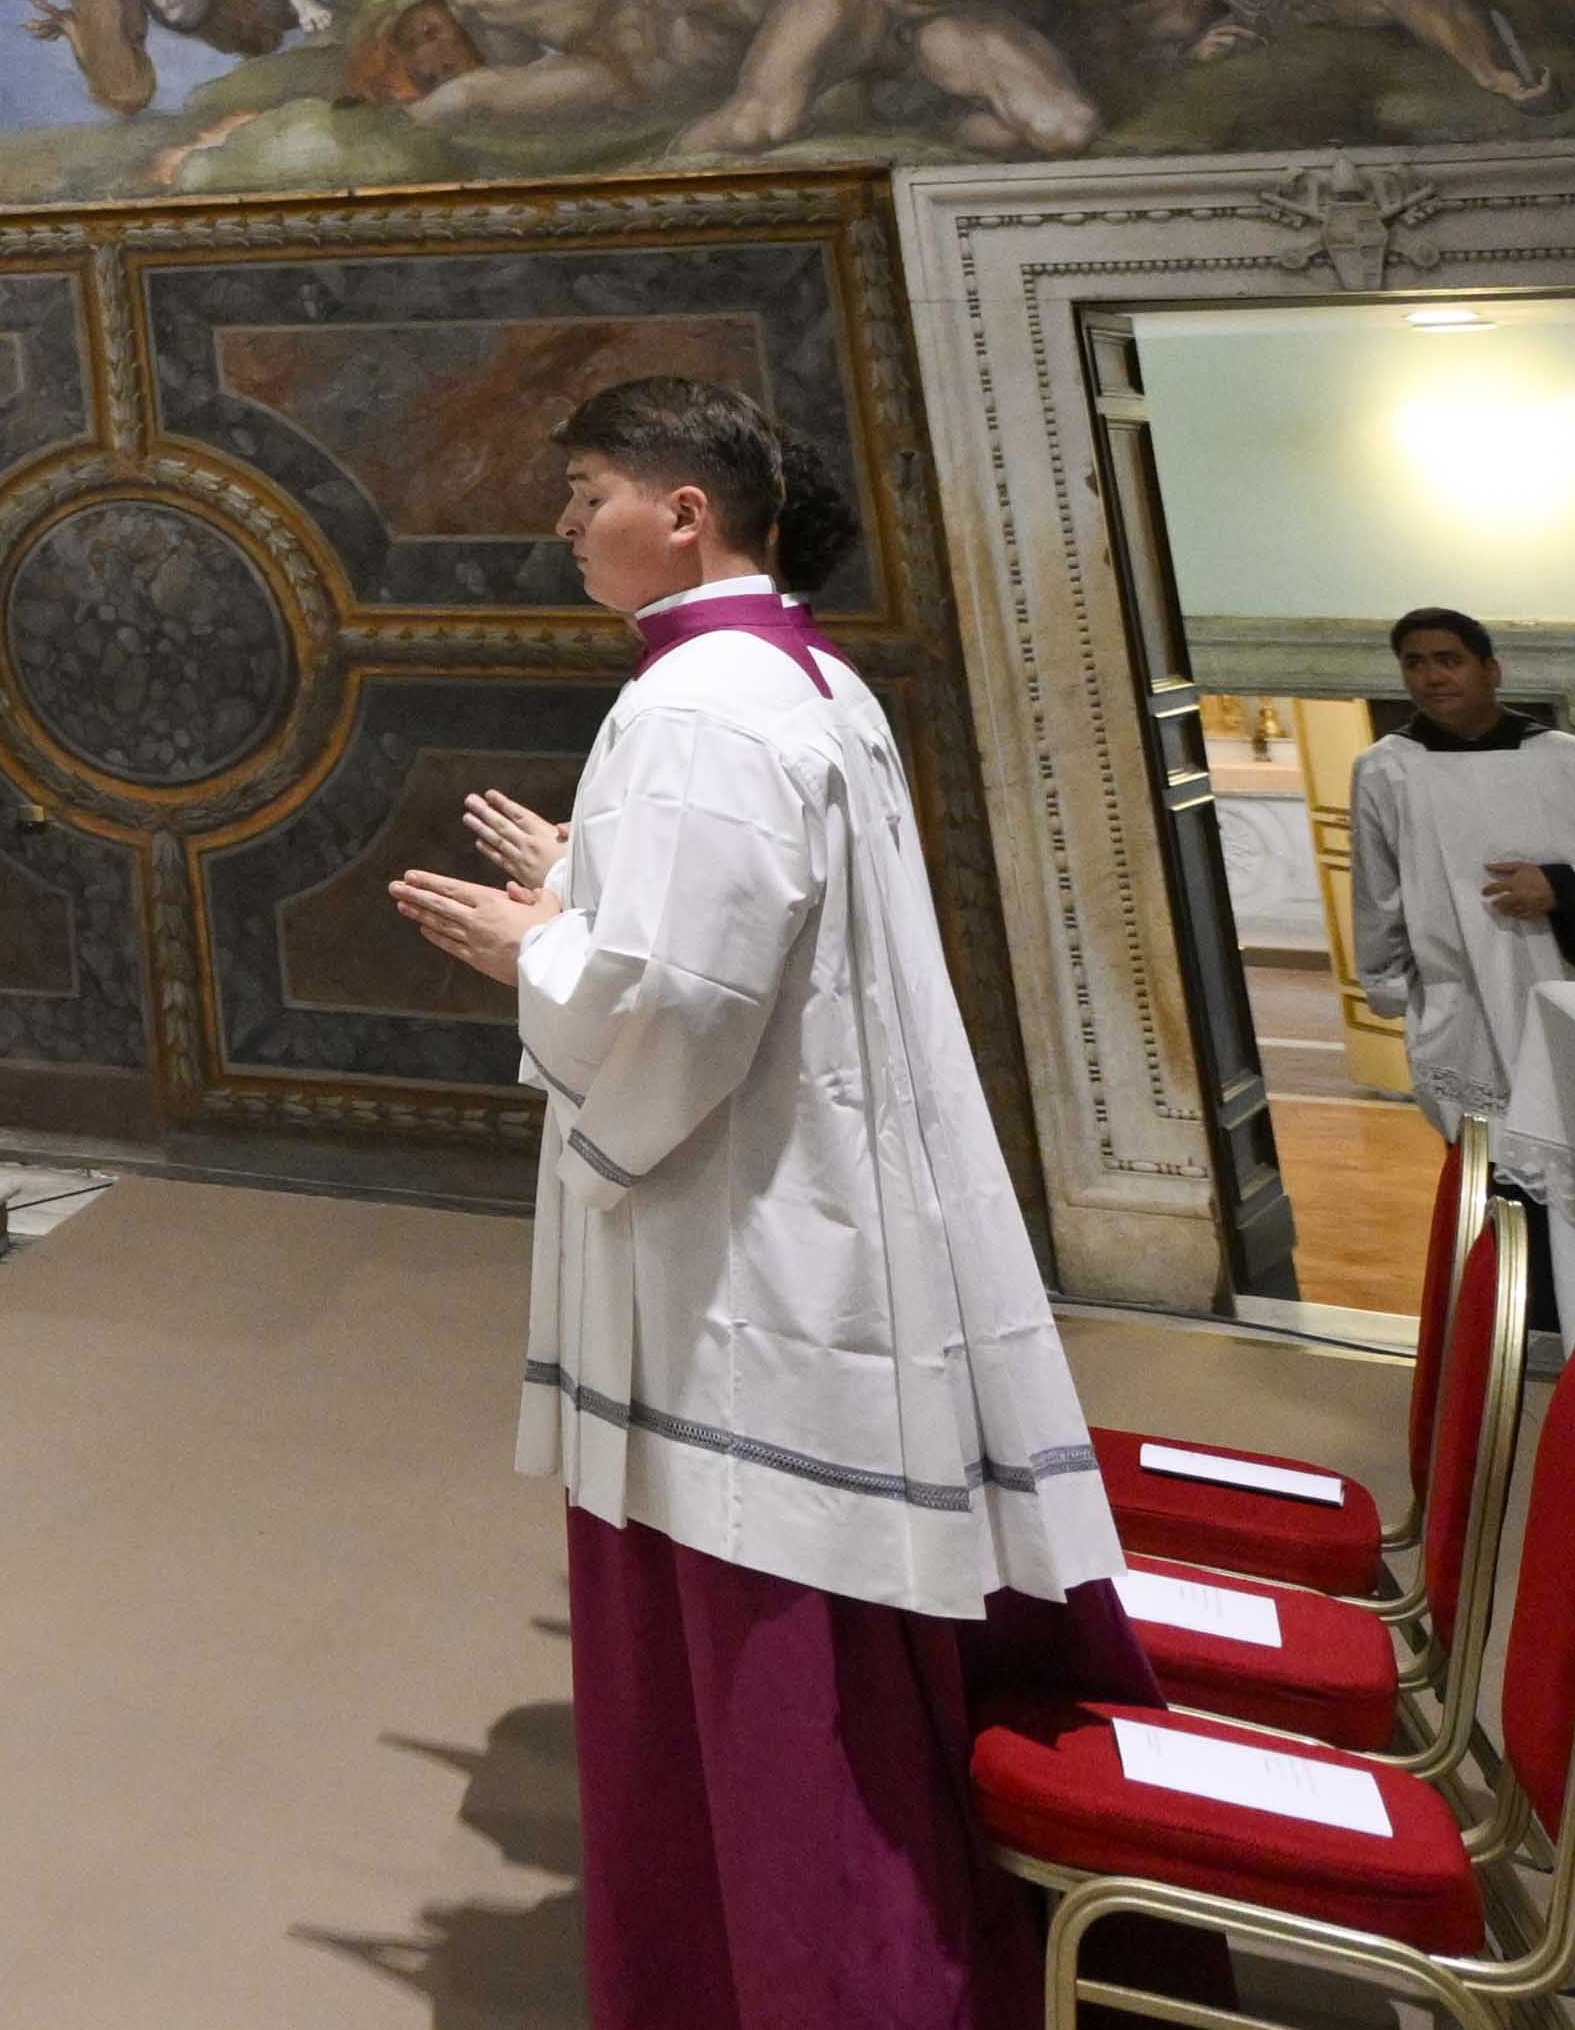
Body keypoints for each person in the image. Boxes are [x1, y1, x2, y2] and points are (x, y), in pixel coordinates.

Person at [388, 373, 1135, 2030]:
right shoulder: (791, 677)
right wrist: (592, 884)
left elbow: (686, 1016)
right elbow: (761, 927)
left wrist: (543, 950)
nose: (564, 527)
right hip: (815, 1189)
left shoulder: (695, 708)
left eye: (585, 493)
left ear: (683, 513)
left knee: (767, 1650)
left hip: (749, 1241)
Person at [1340, 603, 1575, 1151]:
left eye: (1449, 660)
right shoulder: (1386, 770)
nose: (1432, 677)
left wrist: (1563, 888)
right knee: (1499, 1176)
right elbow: (1376, 890)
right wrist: (1391, 985)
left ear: (1492, 670)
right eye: (1414, 664)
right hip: (1463, 1005)